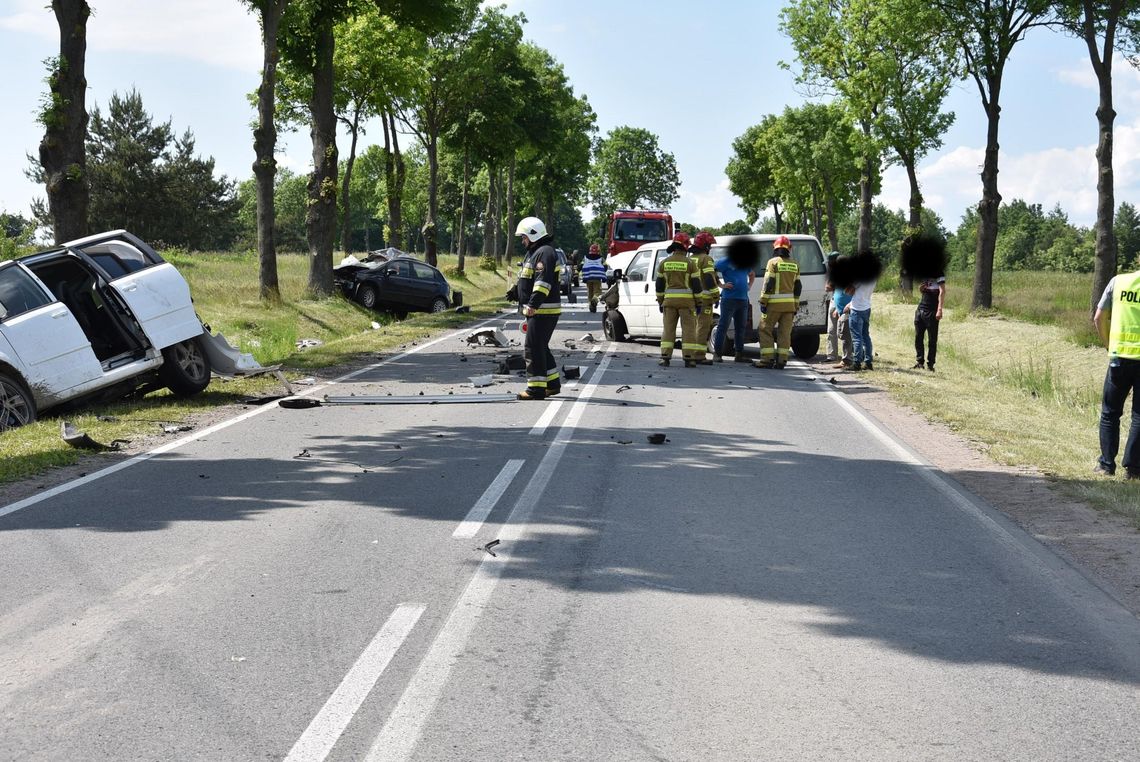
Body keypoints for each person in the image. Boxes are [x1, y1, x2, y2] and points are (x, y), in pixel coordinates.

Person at [1093, 269, 1140, 478]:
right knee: (1139, 416)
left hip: (1119, 358)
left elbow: (1099, 317)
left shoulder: (1118, 282)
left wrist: (1109, 345)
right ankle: (1133, 469)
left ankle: (1106, 465)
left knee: (1110, 413)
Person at [510, 216, 562, 400]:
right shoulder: (538, 252)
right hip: (541, 309)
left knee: (532, 348)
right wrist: (517, 291)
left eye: (524, 237)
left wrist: (532, 304)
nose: (522, 241)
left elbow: (542, 283)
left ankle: (535, 389)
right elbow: (530, 279)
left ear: (533, 234)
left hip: (542, 310)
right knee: (541, 347)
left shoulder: (544, 253)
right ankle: (552, 384)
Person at [656, 231, 703, 367]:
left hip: (669, 302)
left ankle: (665, 357)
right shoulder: (690, 263)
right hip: (687, 303)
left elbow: (659, 286)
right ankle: (689, 358)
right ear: (685, 247)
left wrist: (660, 301)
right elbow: (696, 285)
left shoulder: (664, 263)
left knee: (668, 329)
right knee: (689, 330)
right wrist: (699, 302)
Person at [754, 235, 801, 369]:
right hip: (789, 306)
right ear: (789, 249)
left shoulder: (772, 262)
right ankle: (782, 360)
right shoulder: (795, 264)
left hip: (773, 306)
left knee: (764, 329)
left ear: (775, 248)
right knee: (784, 333)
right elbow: (798, 287)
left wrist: (763, 301)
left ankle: (767, 359)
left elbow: (769, 283)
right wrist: (796, 304)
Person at [713, 244, 755, 363]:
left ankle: (739, 354)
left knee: (741, 327)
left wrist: (749, 286)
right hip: (729, 299)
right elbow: (712, 271)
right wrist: (721, 285)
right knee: (723, 326)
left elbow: (752, 274)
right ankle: (717, 354)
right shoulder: (725, 261)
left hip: (743, 299)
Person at [689, 231, 720, 364]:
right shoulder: (706, 259)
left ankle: (690, 353)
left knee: (692, 326)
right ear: (705, 246)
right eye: (709, 245)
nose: (710, 248)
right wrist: (716, 295)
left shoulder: (690, 259)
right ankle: (699, 355)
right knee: (703, 326)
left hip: (690, 299)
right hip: (704, 299)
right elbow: (708, 279)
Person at [914, 274, 946, 371]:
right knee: (918, 337)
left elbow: (942, 291)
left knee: (932, 339)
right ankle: (920, 362)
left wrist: (939, 309)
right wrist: (921, 288)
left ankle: (930, 365)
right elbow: (922, 290)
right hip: (921, 309)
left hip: (932, 310)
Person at [848, 278, 876, 371]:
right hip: (866, 307)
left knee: (857, 338)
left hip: (857, 308)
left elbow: (848, 290)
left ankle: (857, 363)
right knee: (866, 336)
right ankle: (868, 362)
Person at [831, 284, 854, 369]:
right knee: (843, 335)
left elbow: (854, 295)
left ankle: (846, 361)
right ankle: (851, 357)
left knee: (846, 337)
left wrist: (847, 307)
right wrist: (838, 309)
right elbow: (841, 296)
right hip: (842, 312)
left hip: (848, 312)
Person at [581, 243, 607, 313]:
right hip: (597, 278)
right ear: (598, 251)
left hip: (588, 277)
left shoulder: (585, 257)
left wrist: (578, 272)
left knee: (590, 292)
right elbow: (605, 266)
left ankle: (591, 305)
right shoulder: (601, 258)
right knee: (597, 292)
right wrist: (603, 275)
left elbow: (581, 265)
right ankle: (594, 301)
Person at [823, 252, 840, 362]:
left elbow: (828, 288)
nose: (828, 264)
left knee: (833, 330)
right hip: (845, 302)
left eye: (829, 262)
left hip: (837, 302)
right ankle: (848, 355)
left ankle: (832, 355)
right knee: (845, 331)